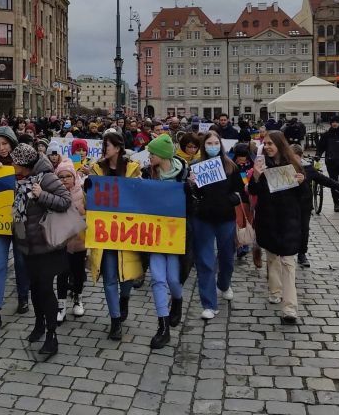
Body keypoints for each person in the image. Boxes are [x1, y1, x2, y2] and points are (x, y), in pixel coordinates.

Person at [10, 143, 72, 357]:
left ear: (23, 164)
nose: (12, 164)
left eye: (14, 162)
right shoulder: (20, 179)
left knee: (45, 289)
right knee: (35, 288)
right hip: (28, 245)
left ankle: (51, 336)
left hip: (47, 245)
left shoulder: (46, 178)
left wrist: (42, 195)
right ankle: (39, 325)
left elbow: (65, 201)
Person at [88, 131, 143, 340]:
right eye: (103, 146)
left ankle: (125, 298)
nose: (104, 150)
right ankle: (115, 320)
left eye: (108, 146)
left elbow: (139, 197)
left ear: (118, 148)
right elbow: (89, 200)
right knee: (109, 276)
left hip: (127, 231)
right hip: (105, 232)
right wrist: (87, 187)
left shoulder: (132, 169)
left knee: (127, 274)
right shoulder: (97, 169)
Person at [249, 131, 305, 324]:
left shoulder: (293, 165)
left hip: (288, 220)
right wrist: (256, 176)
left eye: (270, 143)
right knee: (272, 257)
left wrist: (301, 183)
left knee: (288, 262)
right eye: (265, 144)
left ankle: (290, 308)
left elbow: (303, 196)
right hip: (268, 219)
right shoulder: (261, 164)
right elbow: (253, 191)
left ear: (280, 144)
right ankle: (275, 290)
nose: (267, 147)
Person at [189, 131, 244, 321]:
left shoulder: (230, 166)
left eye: (215, 143)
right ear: (203, 146)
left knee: (227, 258)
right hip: (203, 218)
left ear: (220, 145)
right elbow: (193, 194)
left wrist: (232, 198)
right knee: (205, 261)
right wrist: (191, 184)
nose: (212, 146)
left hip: (225, 218)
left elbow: (240, 190)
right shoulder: (196, 166)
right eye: (209, 143)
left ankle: (224, 283)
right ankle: (209, 304)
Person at [141, 132, 189, 349]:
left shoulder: (185, 174)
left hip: (177, 234)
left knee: (173, 279)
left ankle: (177, 300)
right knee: (158, 279)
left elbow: (195, 204)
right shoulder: (147, 174)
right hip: (154, 234)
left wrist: (191, 190)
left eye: (152, 152)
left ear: (162, 154)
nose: (149, 156)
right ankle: (162, 326)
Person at [0, 127, 30, 328]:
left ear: (12, 143)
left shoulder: (24, 163)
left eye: (5, 143)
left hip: (19, 220)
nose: (1, 148)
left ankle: (23, 296)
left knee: (21, 260)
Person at [289, 144, 339, 268]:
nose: (292, 161)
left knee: (304, 229)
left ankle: (302, 254)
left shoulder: (308, 169)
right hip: (288, 205)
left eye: (294, 158)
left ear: (300, 156)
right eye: (289, 158)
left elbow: (323, 179)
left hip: (304, 204)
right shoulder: (284, 168)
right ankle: (287, 252)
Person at [54, 159, 88, 321]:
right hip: (61, 242)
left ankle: (78, 299)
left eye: (68, 176)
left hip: (79, 241)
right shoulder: (54, 193)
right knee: (62, 273)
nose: (65, 179)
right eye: (61, 177)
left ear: (74, 177)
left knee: (78, 272)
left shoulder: (82, 193)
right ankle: (61, 305)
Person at [315, 115, 339, 212]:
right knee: (334, 183)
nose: (335, 124)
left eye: (336, 122)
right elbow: (320, 147)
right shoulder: (326, 135)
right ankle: (336, 203)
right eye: (333, 122)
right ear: (331, 123)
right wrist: (318, 155)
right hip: (331, 162)